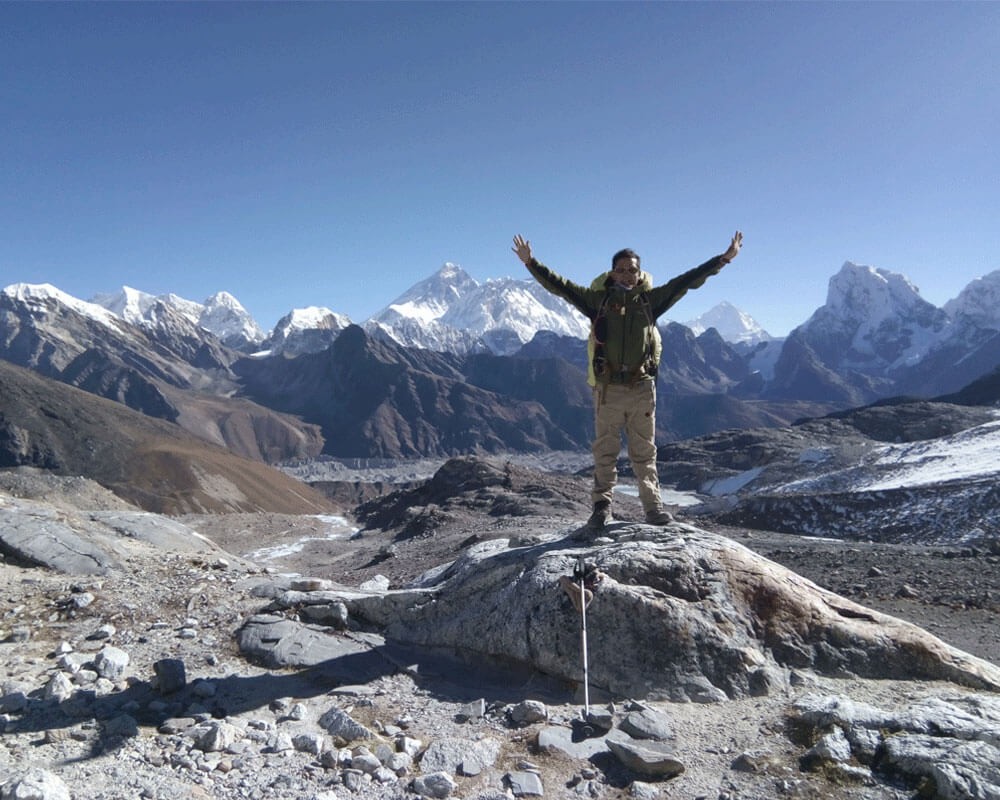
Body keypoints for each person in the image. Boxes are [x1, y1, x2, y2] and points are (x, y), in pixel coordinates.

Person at [511, 231, 743, 530]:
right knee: (605, 453)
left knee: (644, 453)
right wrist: (531, 263)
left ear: (639, 274)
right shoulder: (598, 301)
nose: (626, 274)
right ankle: (601, 509)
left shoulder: (650, 301)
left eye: (632, 270)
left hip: (641, 389)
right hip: (608, 390)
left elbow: (687, 281)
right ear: (611, 273)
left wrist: (723, 259)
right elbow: (561, 287)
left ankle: (653, 509)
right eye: (621, 269)